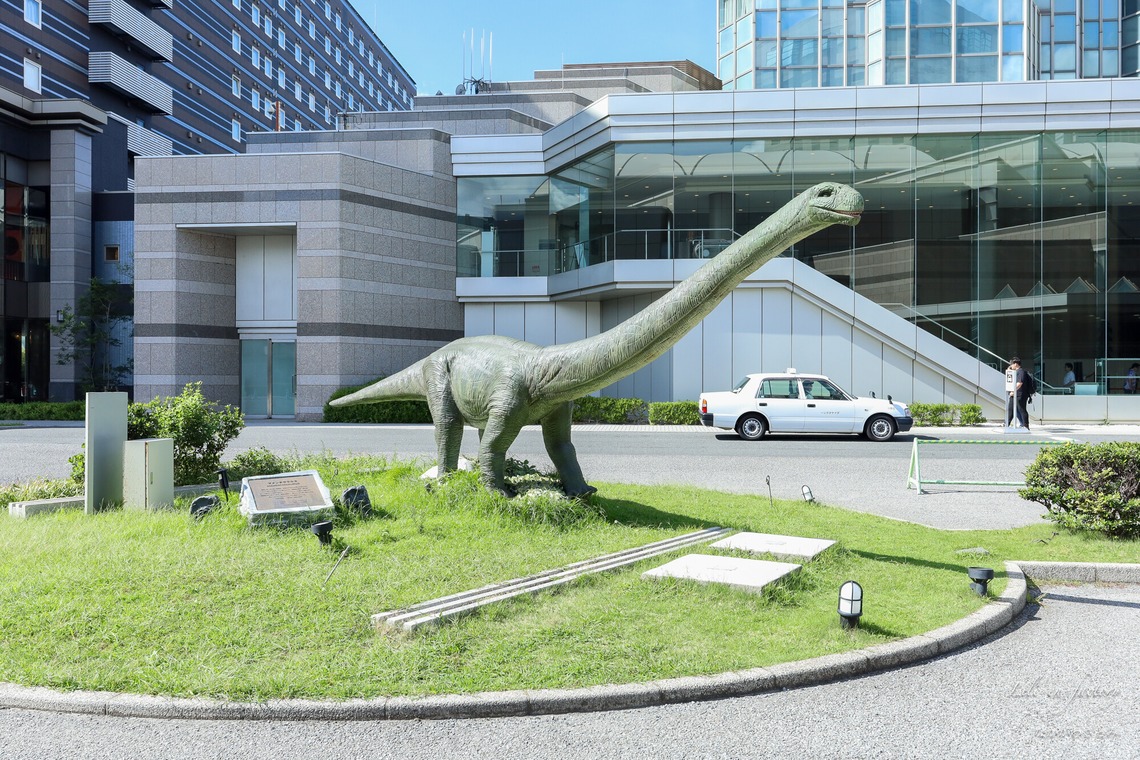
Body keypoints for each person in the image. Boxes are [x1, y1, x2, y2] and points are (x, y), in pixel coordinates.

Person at [1005, 357, 1030, 429]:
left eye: (1012, 364)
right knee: (1010, 409)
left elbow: (1019, 383)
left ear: (1016, 364)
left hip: (1020, 395)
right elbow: (1009, 375)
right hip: (1015, 394)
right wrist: (1009, 369)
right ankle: (1007, 423)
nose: (1011, 366)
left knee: (1022, 409)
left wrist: (1013, 391)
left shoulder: (1021, 372)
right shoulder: (1015, 372)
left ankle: (1026, 425)